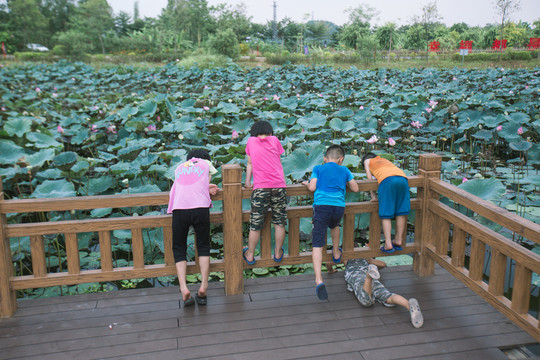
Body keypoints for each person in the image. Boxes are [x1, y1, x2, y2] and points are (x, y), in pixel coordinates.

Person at [302, 145, 359, 300]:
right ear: (341, 159)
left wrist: (306, 184)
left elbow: (312, 187)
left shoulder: (319, 169)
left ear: (324, 159)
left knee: (317, 243)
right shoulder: (345, 170)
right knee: (334, 226)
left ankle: (319, 279)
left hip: (322, 207)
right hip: (338, 207)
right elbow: (355, 188)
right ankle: (335, 251)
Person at [167, 149, 219, 307]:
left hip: (179, 209)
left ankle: (183, 288)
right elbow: (204, 181)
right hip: (200, 208)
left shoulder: (180, 167)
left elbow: (177, 188)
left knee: (179, 247)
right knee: (203, 246)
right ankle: (204, 286)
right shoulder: (205, 164)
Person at [243, 120, 287, 265]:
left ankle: (249, 254)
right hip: (279, 186)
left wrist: (248, 182)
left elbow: (250, 163)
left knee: (255, 224)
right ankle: (278, 252)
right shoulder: (275, 140)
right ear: (270, 132)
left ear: (254, 134)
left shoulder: (251, 141)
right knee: (279, 222)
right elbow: (277, 159)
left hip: (261, 187)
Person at [344, 258, 424, 328]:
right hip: (374, 280)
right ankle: (408, 305)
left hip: (357, 277)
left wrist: (331, 269)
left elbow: (331, 262)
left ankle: (369, 276)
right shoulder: (366, 258)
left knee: (366, 301)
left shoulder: (346, 257)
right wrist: (370, 260)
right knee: (388, 296)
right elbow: (383, 264)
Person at [361, 153, 410, 253]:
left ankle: (388, 243)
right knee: (401, 211)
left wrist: (374, 196)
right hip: (403, 179)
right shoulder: (383, 160)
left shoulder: (367, 161)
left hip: (387, 181)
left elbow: (369, 179)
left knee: (385, 214)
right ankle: (398, 239)